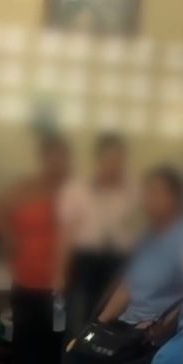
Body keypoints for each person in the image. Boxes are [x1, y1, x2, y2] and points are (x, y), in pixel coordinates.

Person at [61, 166, 183, 364]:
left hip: (151, 336)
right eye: (147, 193)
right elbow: (126, 287)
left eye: (157, 193)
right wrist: (95, 327)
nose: (149, 200)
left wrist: (162, 327)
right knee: (79, 356)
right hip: (126, 326)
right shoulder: (147, 236)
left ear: (175, 199)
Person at [4, 134, 69, 364]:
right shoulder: (25, 188)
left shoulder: (71, 192)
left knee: (54, 331)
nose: (56, 163)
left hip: (58, 277)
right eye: (51, 157)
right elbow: (5, 219)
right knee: (24, 330)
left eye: (61, 158)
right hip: (25, 273)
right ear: (43, 159)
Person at [57, 132, 138, 338]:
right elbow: (66, 234)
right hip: (85, 261)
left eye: (118, 160)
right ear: (99, 159)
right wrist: (60, 273)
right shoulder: (77, 189)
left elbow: (140, 233)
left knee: (109, 322)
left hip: (118, 263)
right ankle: (75, 355)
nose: (114, 165)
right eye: (109, 159)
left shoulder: (132, 192)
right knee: (78, 320)